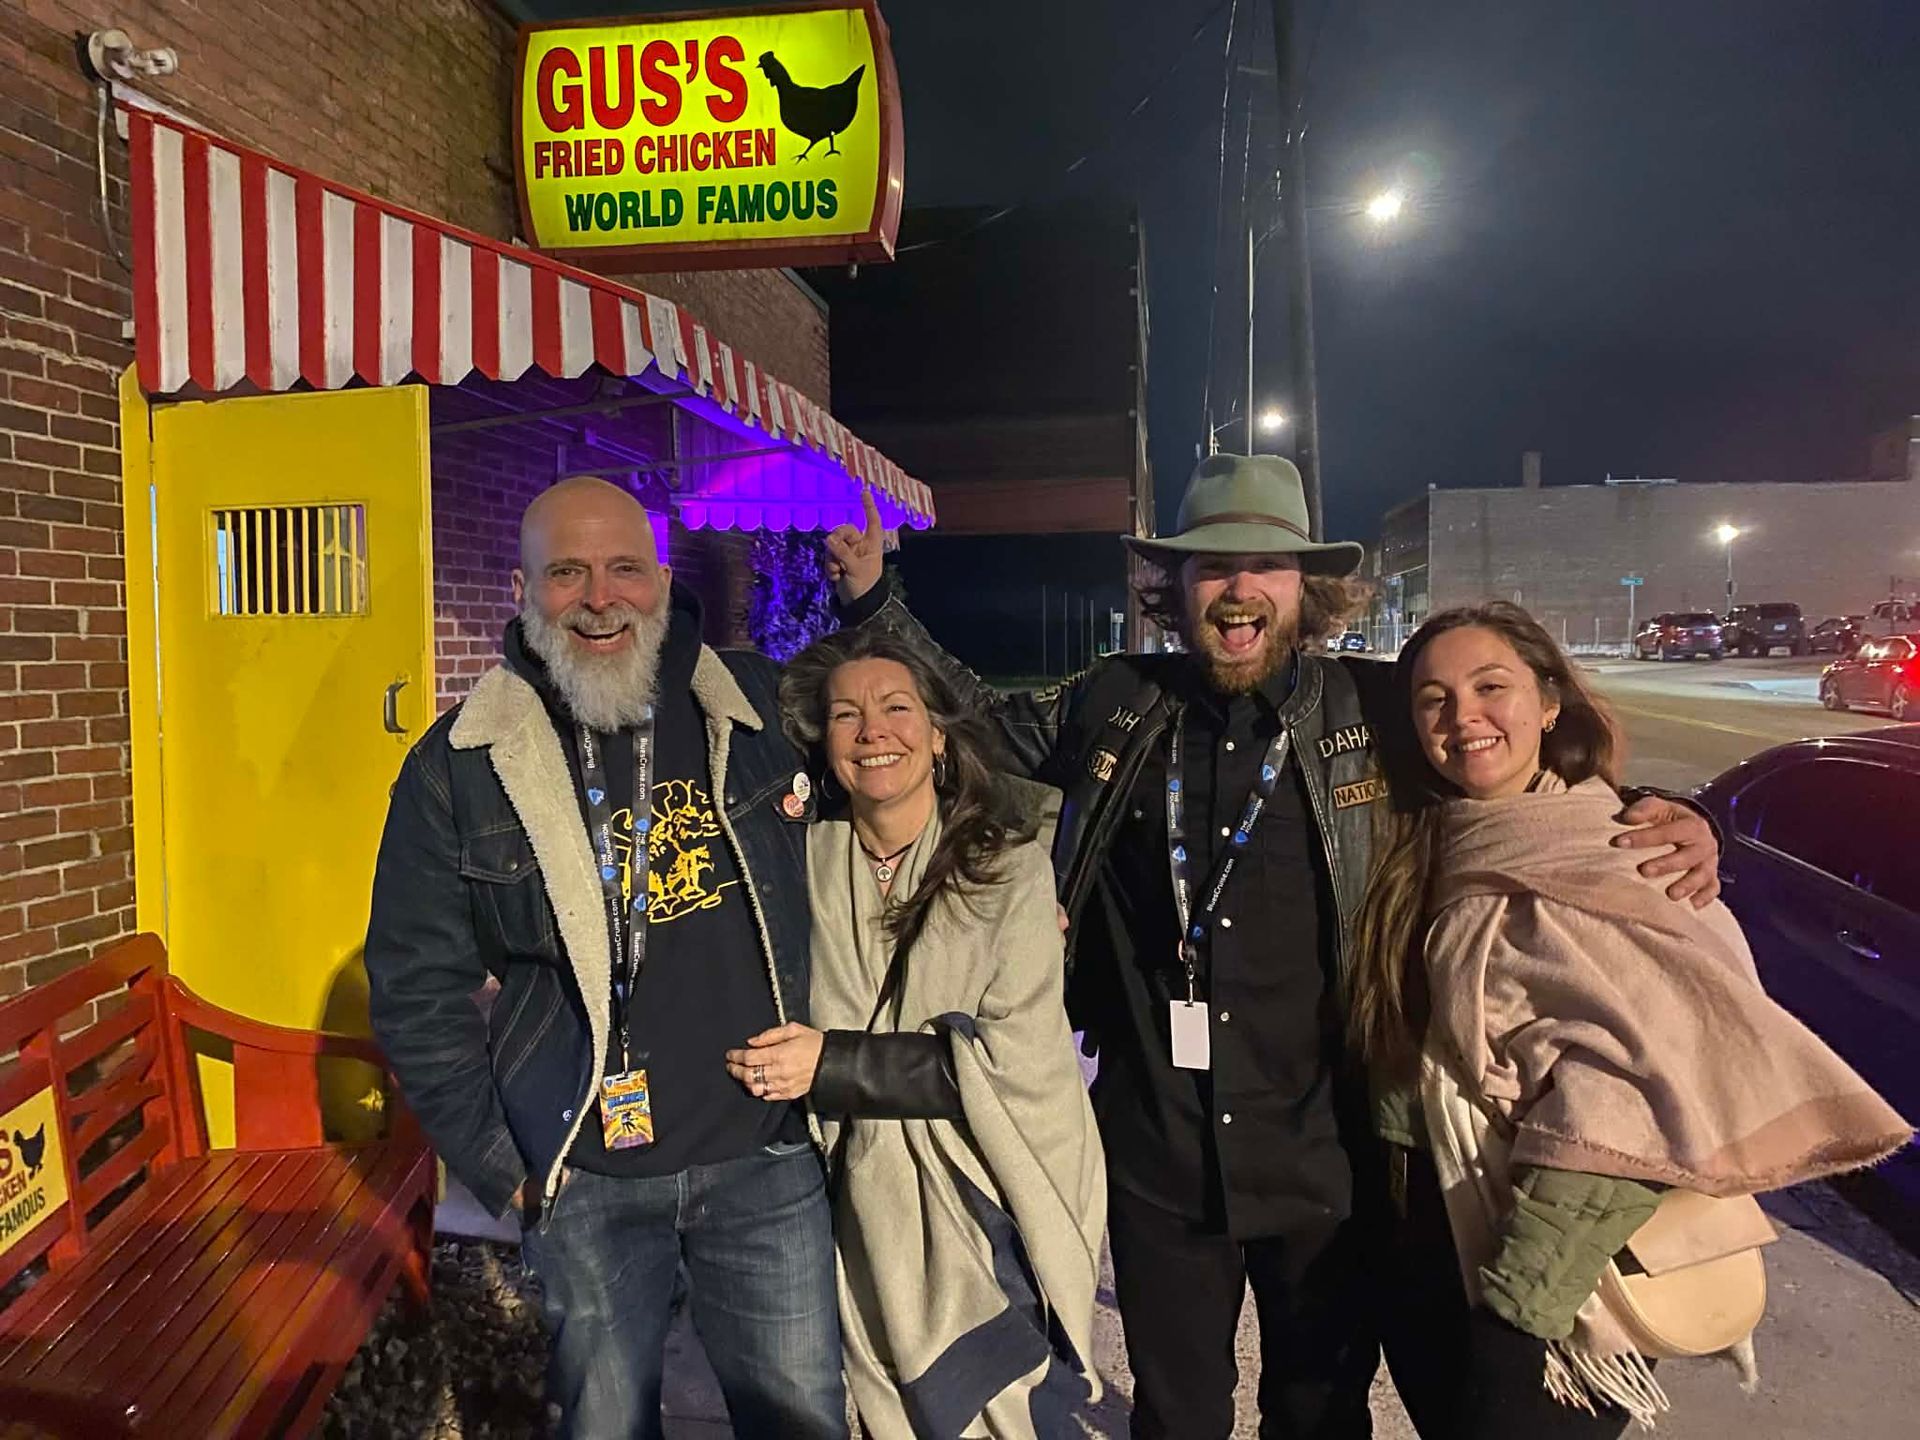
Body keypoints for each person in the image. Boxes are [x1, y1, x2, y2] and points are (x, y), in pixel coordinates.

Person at [834, 452, 1727, 1438]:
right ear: (1174, 586)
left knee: (1318, 1413)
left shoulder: (1373, 710)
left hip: (1330, 1157)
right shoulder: (1117, 701)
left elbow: (1522, 772)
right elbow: (976, 726)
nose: (1239, 588)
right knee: (1177, 1418)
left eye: (1267, 564)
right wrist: (875, 599)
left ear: (1308, 586)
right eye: (1213, 567)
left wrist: (1661, 810)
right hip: (1155, 1146)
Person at [364, 475, 881, 1439]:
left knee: (801, 1422)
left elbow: (906, 758)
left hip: (764, 1158)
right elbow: (412, 987)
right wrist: (503, 1166)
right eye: (567, 573)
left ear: (661, 579)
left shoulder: (759, 705)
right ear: (523, 592)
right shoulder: (461, 764)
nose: (600, 598)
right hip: (586, 1177)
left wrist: (997, 893)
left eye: (623, 569)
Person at [1349, 602, 1909, 1437]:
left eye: (1490, 686)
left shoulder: (1629, 857)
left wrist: (1515, 1317)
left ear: (1548, 703)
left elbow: (1639, 1092)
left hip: (1554, 1284)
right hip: (1442, 1242)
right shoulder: (1444, 839)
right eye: (1433, 699)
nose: (1463, 716)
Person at [720, 627, 1106, 1438]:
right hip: (850, 1214)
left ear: (938, 735)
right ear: (823, 745)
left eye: (897, 709)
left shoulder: (1008, 869)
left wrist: (832, 1061)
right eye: (846, 715)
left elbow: (1015, 1059)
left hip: (982, 1201)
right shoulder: (797, 867)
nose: (872, 732)